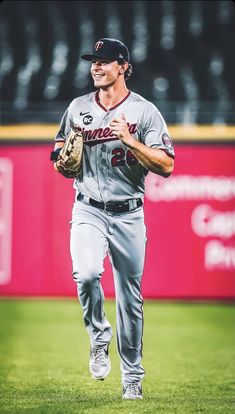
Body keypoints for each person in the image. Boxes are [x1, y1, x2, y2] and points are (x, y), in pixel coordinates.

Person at [52, 38, 175, 400]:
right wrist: (61, 161)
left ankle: (132, 377)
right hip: (87, 206)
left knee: (130, 301)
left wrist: (131, 141)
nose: (96, 67)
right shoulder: (78, 107)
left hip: (128, 215)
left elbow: (166, 165)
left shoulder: (144, 112)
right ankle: (98, 334)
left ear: (123, 66)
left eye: (104, 61)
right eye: (93, 61)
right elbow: (60, 149)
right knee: (87, 273)